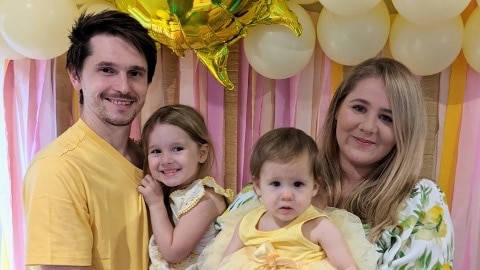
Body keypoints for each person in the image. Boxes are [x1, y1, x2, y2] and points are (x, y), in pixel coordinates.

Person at [209, 57, 454, 269]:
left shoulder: (420, 201)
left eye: (386, 118)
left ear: (405, 131)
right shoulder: (281, 174)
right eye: (359, 108)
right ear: (336, 110)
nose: (368, 127)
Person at [22, 10, 157, 270]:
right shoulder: (58, 169)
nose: (123, 87)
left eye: (135, 73)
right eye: (107, 70)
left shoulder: (153, 160)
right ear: (75, 76)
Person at [218, 127, 378, 270]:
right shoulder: (247, 223)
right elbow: (225, 262)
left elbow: (347, 266)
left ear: (314, 187)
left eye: (298, 184)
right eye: (275, 183)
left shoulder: (319, 226)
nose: (287, 195)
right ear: (258, 186)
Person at [138, 104, 234, 269]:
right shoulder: (180, 193)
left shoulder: (205, 199)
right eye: (156, 151)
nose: (166, 160)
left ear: (201, 154)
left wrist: (155, 204)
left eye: (177, 149)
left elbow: (173, 253)